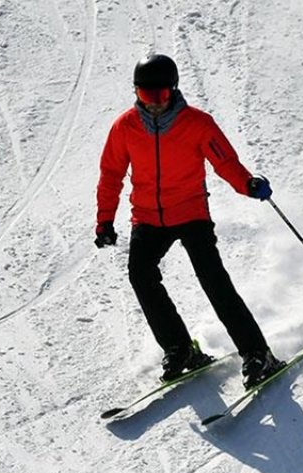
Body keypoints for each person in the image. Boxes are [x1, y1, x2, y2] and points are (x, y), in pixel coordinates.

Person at [94, 53, 285, 389]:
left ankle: (258, 354)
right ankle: (180, 349)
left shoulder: (198, 123)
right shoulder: (124, 127)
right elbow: (111, 175)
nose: (153, 104)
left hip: (191, 212)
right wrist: (105, 222)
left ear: (174, 91)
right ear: (136, 93)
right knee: (141, 275)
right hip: (148, 217)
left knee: (214, 282)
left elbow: (226, 163)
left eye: (161, 97)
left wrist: (248, 184)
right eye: (145, 96)